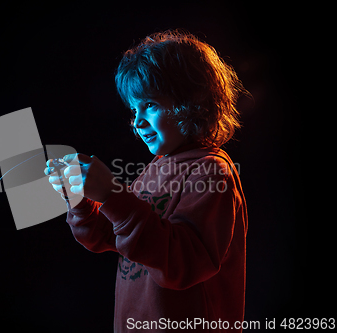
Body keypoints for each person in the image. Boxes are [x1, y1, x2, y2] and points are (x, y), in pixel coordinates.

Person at [45, 30, 248, 332]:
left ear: (192, 102)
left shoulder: (211, 171)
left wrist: (113, 195)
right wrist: (78, 199)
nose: (138, 122)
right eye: (133, 109)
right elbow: (112, 238)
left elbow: (183, 264)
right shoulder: (157, 167)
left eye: (150, 105)